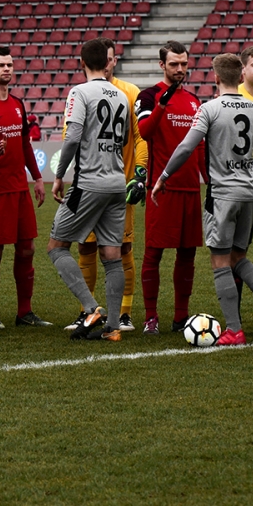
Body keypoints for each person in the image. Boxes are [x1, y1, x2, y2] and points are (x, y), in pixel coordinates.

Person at [152, 53, 253, 346]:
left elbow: (186, 147)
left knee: (220, 260)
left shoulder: (209, 109)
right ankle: (234, 328)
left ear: (216, 77)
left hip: (222, 194)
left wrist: (163, 177)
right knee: (239, 258)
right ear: (241, 76)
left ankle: (234, 330)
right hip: (250, 192)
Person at [47, 38, 131, 341]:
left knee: (56, 247)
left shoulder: (79, 92)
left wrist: (59, 175)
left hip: (89, 183)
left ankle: (91, 307)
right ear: (108, 62)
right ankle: (113, 327)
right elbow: (123, 139)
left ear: (81, 62)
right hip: (117, 183)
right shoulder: (122, 96)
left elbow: (73, 137)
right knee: (112, 254)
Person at [0, 46, 50, 329]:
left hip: (19, 189)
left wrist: (37, 178)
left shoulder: (17, 104)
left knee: (27, 249)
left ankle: (24, 312)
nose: (7, 69)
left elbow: (25, 144)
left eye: (10, 65)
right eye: (1, 65)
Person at [69, 38, 149, 332]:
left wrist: (139, 173)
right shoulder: (83, 94)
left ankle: (124, 313)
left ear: (114, 61)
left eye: (113, 58)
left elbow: (140, 137)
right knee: (85, 247)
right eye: (107, 58)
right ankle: (86, 311)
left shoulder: (131, 92)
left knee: (122, 249)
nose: (109, 63)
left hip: (120, 185)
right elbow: (72, 136)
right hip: (91, 184)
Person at [135, 40, 204, 334]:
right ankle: (151, 317)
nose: (180, 69)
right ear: (162, 65)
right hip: (160, 189)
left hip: (190, 189)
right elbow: (145, 132)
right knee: (154, 253)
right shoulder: (148, 96)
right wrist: (162, 104)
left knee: (187, 254)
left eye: (184, 64)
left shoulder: (194, 101)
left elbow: (200, 147)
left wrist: (209, 182)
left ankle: (180, 317)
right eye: (174, 64)